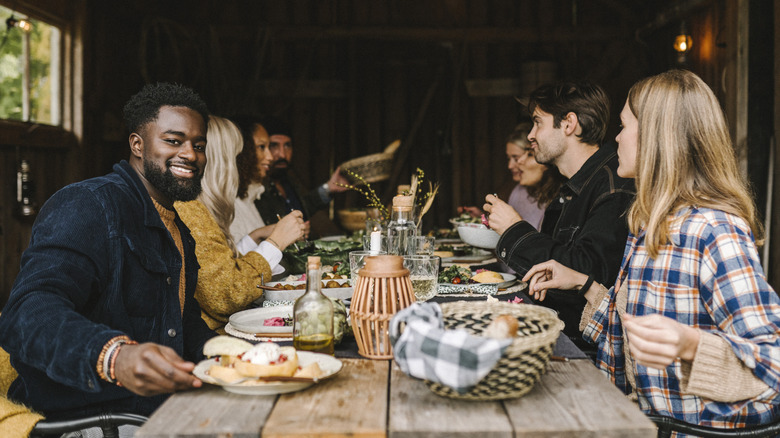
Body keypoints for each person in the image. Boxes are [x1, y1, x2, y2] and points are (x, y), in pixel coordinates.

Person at [523, 70, 780, 430]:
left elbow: (773, 364)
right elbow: (626, 332)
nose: (616, 138)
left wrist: (692, 345)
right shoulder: (648, 224)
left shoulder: (712, 229)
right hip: (632, 421)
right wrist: (583, 284)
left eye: (624, 126)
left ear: (658, 139)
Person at [0, 83, 216, 420]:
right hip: (90, 419)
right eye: (173, 141)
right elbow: (27, 314)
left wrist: (229, 356)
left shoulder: (177, 229)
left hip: (159, 407)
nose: (190, 154)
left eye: (198, 145)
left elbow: (182, 324)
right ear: (137, 144)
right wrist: (114, 357)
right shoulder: (90, 205)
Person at [483, 81, 635, 351]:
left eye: (538, 123)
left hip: (586, 351)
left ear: (568, 124)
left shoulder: (614, 187)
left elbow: (587, 273)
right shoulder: (572, 184)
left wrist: (514, 229)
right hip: (559, 335)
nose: (531, 135)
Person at [176, 115, 305, 331]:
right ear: (223, 161)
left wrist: (254, 238)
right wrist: (275, 243)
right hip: (212, 337)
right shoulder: (190, 209)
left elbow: (218, 268)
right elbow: (226, 295)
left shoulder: (199, 206)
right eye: (238, 158)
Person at [459, 122, 564, 231]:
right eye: (509, 158)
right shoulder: (518, 190)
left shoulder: (560, 203)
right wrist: (484, 219)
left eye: (529, 154)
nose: (517, 163)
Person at [257, 115, 349, 237]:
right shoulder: (256, 189)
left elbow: (303, 206)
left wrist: (329, 188)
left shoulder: (288, 180)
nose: (282, 155)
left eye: (287, 145)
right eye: (274, 146)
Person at [231, 115, 309, 246]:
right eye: (262, 147)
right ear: (243, 150)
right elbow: (235, 263)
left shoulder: (252, 193)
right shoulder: (230, 201)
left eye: (287, 146)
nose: (271, 156)